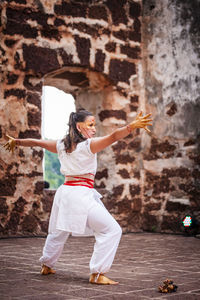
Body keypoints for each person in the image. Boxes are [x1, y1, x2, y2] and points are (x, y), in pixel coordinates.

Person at [3, 109, 152, 285]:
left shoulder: (61, 145)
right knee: (112, 230)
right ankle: (97, 274)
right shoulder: (88, 146)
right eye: (91, 125)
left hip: (64, 193)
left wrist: (18, 142)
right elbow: (113, 137)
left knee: (57, 231)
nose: (94, 129)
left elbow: (38, 142)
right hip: (80, 194)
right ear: (79, 127)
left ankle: (46, 264)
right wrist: (131, 126)